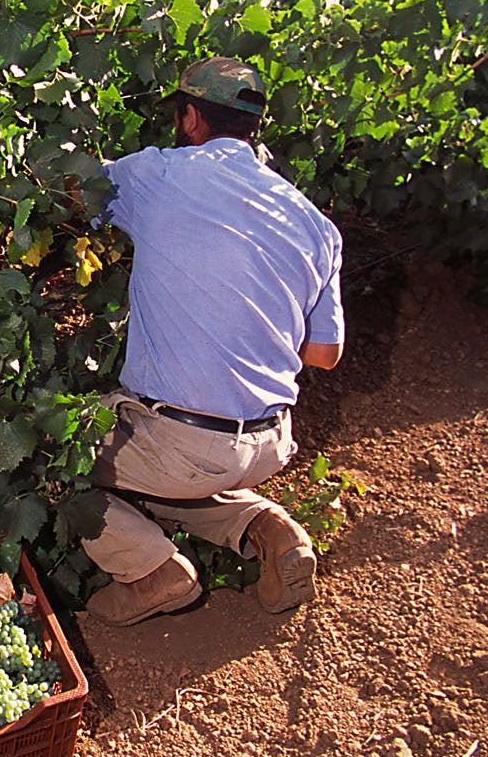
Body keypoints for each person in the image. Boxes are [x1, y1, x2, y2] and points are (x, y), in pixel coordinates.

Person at [81, 56, 345, 627]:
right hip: (270, 443)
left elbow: (79, 183)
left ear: (191, 118)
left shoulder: (159, 176)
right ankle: (265, 527)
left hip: (188, 445)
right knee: (166, 470)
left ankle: (154, 571)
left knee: (53, 454)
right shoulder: (314, 224)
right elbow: (324, 354)